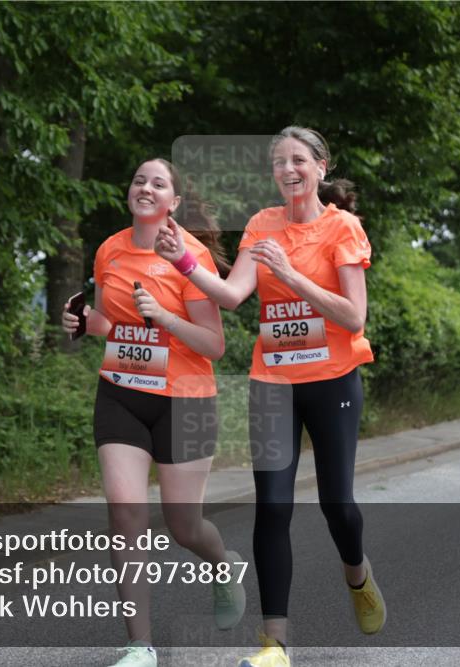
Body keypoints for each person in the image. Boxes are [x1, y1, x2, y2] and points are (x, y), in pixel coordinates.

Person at [155, 127, 383, 667]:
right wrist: (183, 262)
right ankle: (274, 645)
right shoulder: (262, 225)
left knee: (337, 506)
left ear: (320, 168)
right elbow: (233, 295)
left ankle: (358, 575)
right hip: (273, 382)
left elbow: (354, 316)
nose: (287, 169)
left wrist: (292, 276)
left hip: (333, 382)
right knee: (272, 507)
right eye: (278, 162)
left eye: (298, 160)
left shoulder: (342, 229)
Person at [62, 158, 245, 667]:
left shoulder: (192, 255)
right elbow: (113, 325)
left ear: (174, 202)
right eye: (139, 179)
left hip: (185, 401)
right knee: (124, 515)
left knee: (183, 527)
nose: (145, 187)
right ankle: (140, 647)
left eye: (158, 183)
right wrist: (83, 322)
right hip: (121, 392)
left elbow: (213, 344)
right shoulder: (109, 250)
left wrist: (164, 315)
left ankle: (223, 564)